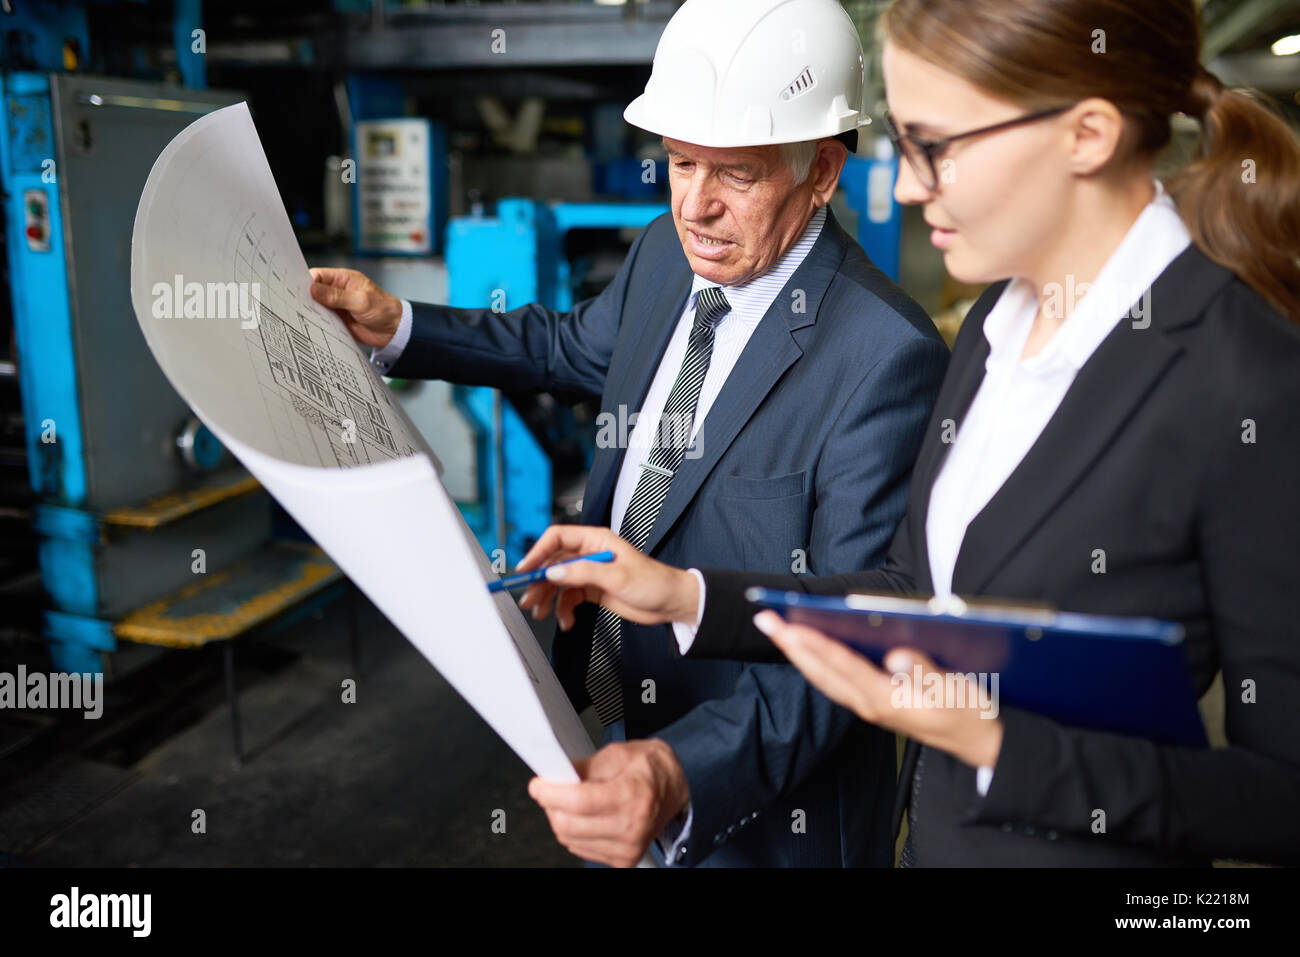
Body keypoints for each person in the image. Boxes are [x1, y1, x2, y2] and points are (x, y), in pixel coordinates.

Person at [513, 0, 1300, 866]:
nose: (911, 183)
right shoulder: (1002, 316)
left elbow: (1280, 794)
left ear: (1088, 134)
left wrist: (997, 741)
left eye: (938, 146)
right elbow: (911, 588)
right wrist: (690, 597)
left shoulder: (1248, 385)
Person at [311, 0, 948, 868]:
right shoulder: (664, 253)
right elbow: (567, 347)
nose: (697, 206)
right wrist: (399, 325)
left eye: (738, 175)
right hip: (616, 705)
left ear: (823, 171)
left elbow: (852, 639)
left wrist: (679, 772)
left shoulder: (883, 356)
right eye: (681, 163)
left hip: (759, 807)